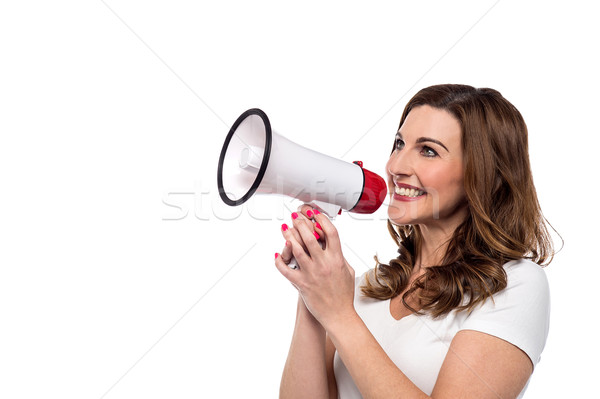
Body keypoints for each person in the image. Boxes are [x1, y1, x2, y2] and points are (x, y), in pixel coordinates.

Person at [273, 84, 555, 399]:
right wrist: (312, 294)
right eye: (399, 144)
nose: (396, 167)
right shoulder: (366, 287)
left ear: (484, 173)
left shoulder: (514, 286)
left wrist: (338, 314)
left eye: (428, 150)